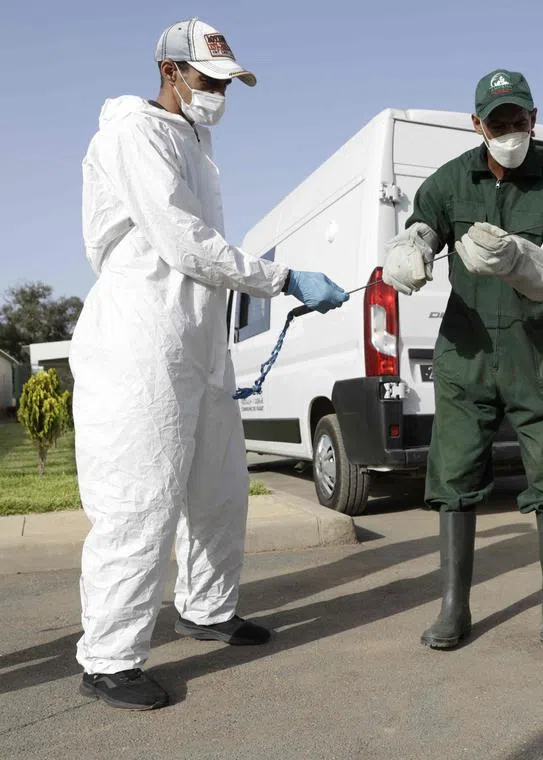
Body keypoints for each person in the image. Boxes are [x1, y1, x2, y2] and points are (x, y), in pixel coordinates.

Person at [73, 18, 348, 710]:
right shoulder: (133, 133)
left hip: (197, 340)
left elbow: (200, 255)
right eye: (209, 79)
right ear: (170, 71)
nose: (220, 92)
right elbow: (183, 240)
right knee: (140, 501)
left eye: (228, 81)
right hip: (140, 341)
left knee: (219, 490)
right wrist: (283, 280)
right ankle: (108, 657)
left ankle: (206, 609)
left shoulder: (197, 141)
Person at [382, 70, 543, 649]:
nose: (509, 131)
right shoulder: (448, 183)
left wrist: (518, 258)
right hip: (467, 351)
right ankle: (454, 607)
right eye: (496, 122)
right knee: (454, 476)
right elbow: (422, 229)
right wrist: (411, 248)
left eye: (518, 120)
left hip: (538, 355)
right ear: (477, 125)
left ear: (533, 118)